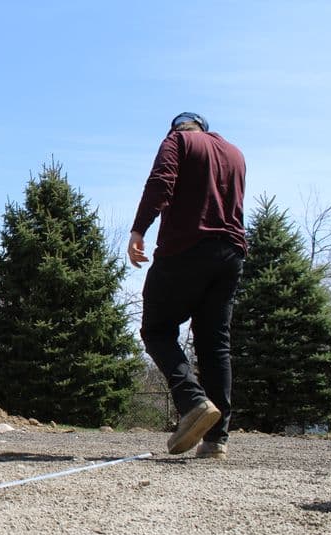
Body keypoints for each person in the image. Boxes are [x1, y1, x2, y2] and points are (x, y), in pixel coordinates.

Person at [127, 112, 246, 459]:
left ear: (178, 128)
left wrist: (139, 230)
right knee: (215, 343)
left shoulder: (178, 141)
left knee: (157, 330)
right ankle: (215, 440)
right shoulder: (234, 153)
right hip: (231, 254)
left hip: (186, 247)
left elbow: (161, 181)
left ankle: (193, 403)